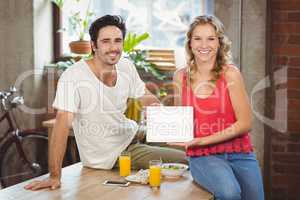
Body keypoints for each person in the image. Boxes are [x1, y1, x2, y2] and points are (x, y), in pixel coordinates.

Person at [24, 15, 186, 191]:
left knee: (193, 142)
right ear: (94, 45)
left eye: (118, 41)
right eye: (106, 41)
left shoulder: (125, 65)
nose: (113, 47)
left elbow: (145, 95)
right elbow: (62, 124)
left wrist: (154, 106)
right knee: (186, 157)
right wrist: (55, 175)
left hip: (132, 132)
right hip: (113, 154)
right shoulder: (74, 76)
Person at [171, 15, 264, 200]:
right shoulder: (180, 77)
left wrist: (201, 140)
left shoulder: (231, 74)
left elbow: (245, 124)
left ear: (219, 43)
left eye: (211, 38)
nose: (203, 45)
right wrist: (162, 121)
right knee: (230, 193)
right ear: (190, 43)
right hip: (203, 157)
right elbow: (179, 124)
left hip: (240, 153)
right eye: (197, 38)